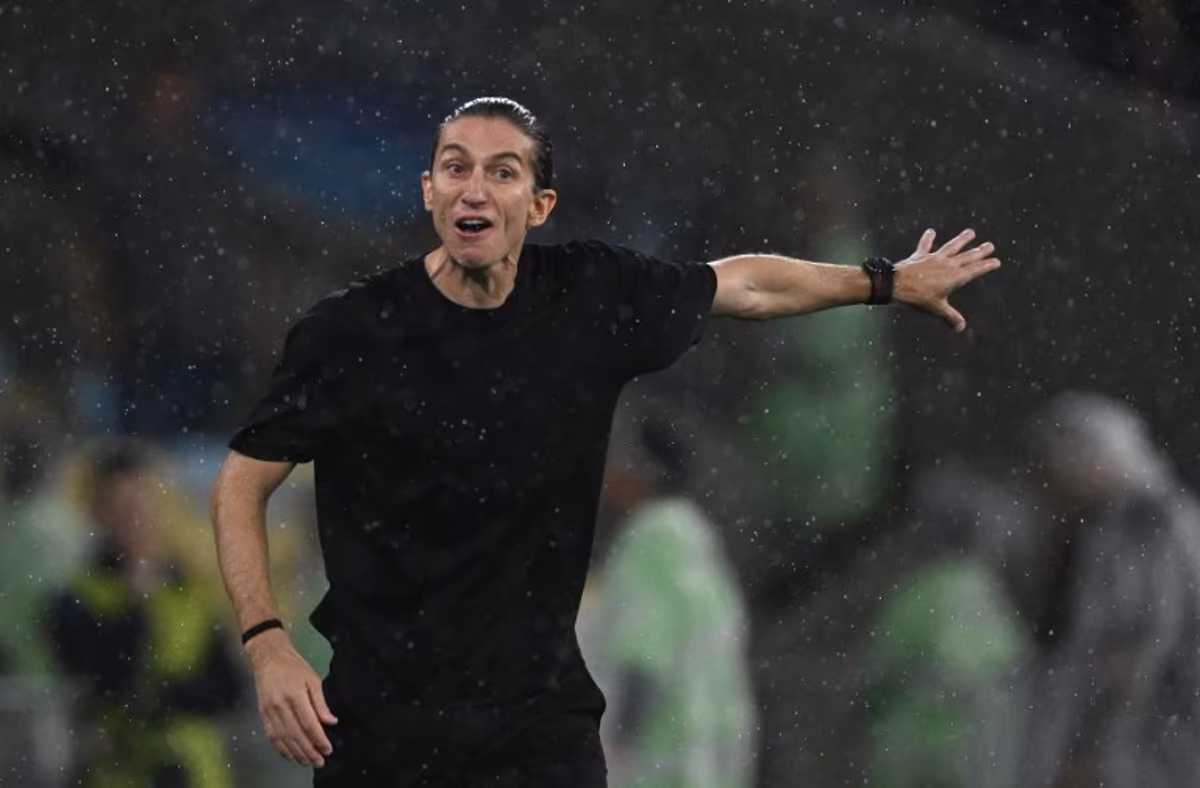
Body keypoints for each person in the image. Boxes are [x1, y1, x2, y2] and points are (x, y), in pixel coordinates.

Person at [209, 96, 1001, 787]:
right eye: (455, 167)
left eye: (503, 171)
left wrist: (884, 282)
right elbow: (242, 484)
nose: (474, 187)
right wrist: (268, 641)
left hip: (534, 724)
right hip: (388, 721)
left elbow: (745, 282)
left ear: (541, 204)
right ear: (428, 190)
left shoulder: (585, 297)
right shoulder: (351, 333)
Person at [578, 400, 756, 788]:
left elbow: (643, 656)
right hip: (711, 762)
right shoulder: (698, 544)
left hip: (662, 764)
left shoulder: (649, 545)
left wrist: (616, 746)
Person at [48, 438, 244, 788]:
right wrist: (137, 599)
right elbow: (109, 677)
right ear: (97, 512)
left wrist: (160, 695)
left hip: (195, 772)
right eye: (119, 506)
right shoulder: (75, 597)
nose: (135, 517)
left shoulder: (191, 590)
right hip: (119, 771)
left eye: (142, 502)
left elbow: (228, 689)